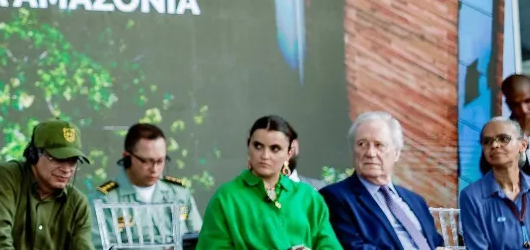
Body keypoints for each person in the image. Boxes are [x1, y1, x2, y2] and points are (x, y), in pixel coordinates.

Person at [196, 115, 340, 250]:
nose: (265, 156)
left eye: (275, 149)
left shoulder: (308, 197)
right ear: (249, 147)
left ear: (289, 153)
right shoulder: (226, 198)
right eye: (258, 146)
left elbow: (329, 245)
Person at [319, 111, 443, 250]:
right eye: (361, 144)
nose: (370, 153)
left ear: (396, 153)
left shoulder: (416, 201)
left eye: (379, 145)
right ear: (352, 150)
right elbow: (353, 247)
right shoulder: (335, 197)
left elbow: (436, 242)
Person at [0, 118, 94, 250]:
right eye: (59, 159)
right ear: (35, 153)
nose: (67, 170)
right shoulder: (7, 178)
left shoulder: (77, 204)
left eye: (73, 161)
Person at [88, 123, 200, 248]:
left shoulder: (179, 193)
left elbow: (199, 239)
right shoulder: (105, 199)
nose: (154, 169)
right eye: (146, 161)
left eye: (160, 161)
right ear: (127, 157)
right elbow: (98, 246)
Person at [460, 116, 530, 249]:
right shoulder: (472, 196)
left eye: (503, 139)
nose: (494, 145)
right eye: (487, 141)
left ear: (522, 145)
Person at [481, 75, 530, 176]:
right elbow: (493, 174)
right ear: (508, 104)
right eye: (516, 104)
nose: (524, 110)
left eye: (528, 101)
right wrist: (522, 135)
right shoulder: (497, 134)